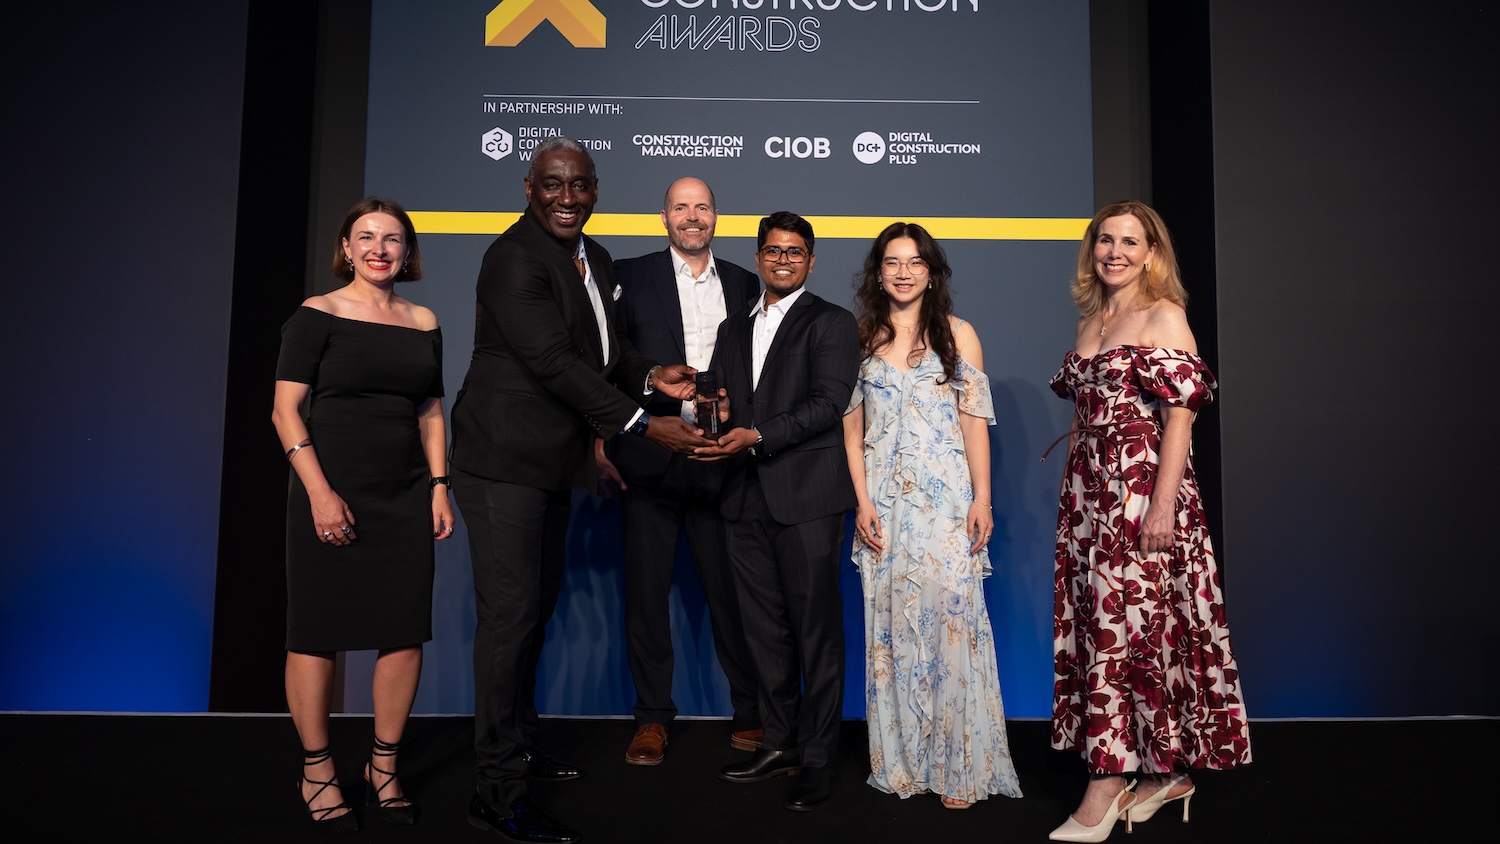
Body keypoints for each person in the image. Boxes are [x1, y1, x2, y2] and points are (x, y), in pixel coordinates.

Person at [449, 137, 710, 843]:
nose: (569, 198)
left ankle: (520, 749)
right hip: (501, 462)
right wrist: (640, 423)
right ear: (528, 187)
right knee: (508, 623)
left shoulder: (591, 257)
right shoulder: (511, 259)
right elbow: (553, 363)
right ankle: (495, 791)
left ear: (595, 189)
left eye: (582, 186)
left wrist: (653, 374)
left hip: (550, 462)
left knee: (532, 615)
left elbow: (603, 350)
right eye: (554, 186)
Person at [1045, 201, 1251, 842]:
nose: (1115, 252)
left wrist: (1162, 506)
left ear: (1152, 252)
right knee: (1127, 628)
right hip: (1090, 497)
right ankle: (1166, 773)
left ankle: (1107, 783)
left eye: (1130, 242)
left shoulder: (1165, 315)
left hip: (1141, 490)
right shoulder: (1093, 319)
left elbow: (1181, 420)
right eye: (1105, 240)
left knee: (1130, 627)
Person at [272, 197, 453, 831]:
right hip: (330, 488)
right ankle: (317, 770)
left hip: (404, 493)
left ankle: (384, 767)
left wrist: (438, 486)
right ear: (346, 248)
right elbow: (285, 412)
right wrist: (321, 493)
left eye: (393, 239)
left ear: (408, 252)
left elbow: (430, 411)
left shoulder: (424, 320)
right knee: (316, 632)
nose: (380, 248)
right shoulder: (315, 316)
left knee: (403, 630)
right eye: (366, 237)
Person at [841, 222, 1022, 809]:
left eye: (914, 262)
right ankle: (903, 766)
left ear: (931, 271)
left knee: (952, 631)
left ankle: (959, 768)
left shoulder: (958, 335)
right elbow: (851, 428)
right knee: (891, 635)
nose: (902, 272)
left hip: (945, 504)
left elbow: (974, 421)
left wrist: (981, 498)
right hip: (885, 510)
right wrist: (863, 500)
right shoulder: (861, 337)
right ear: (877, 272)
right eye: (891, 262)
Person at [698, 211, 860, 812]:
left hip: (808, 501)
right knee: (763, 633)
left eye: (795, 252)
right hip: (742, 499)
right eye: (773, 251)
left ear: (811, 260)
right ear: (759, 256)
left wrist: (757, 434)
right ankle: (778, 743)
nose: (783, 260)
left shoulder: (833, 322)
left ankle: (818, 760)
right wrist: (706, 414)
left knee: (816, 635)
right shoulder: (732, 323)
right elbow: (718, 391)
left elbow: (827, 404)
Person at [600, 177, 762, 766]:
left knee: (735, 597)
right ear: (663, 216)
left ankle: (750, 713)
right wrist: (605, 435)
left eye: (702, 206)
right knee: (646, 597)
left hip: (722, 462)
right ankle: (651, 719)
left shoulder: (747, 283)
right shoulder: (628, 275)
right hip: (650, 458)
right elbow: (606, 361)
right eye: (680, 207)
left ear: (717, 216)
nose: (692, 216)